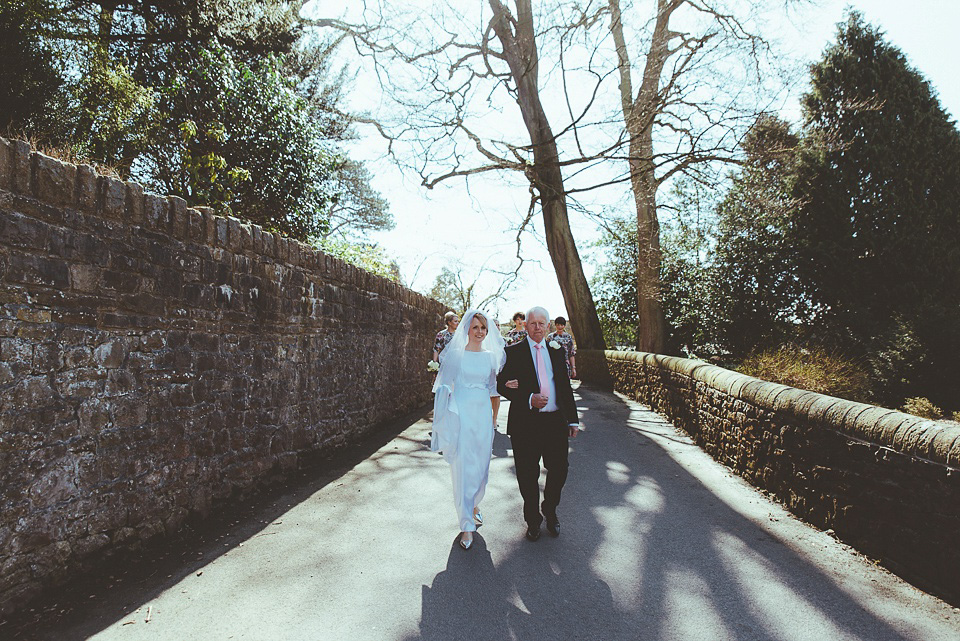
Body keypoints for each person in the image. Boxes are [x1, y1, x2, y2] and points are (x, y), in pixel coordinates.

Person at [496, 306, 580, 542]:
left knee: (560, 469)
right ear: (526, 325)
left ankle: (550, 509)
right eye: (532, 323)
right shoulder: (512, 352)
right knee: (527, 473)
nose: (537, 327)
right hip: (526, 423)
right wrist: (528, 398)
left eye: (542, 324)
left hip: (555, 421)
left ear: (548, 326)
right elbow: (501, 384)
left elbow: (564, 388)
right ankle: (533, 520)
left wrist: (572, 419)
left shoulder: (556, 350)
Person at [431, 310, 506, 550]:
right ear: (467, 329)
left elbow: (494, 390)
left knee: (481, 466)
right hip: (462, 415)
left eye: (483, 328)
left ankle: (474, 504)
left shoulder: (491, 357)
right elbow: (443, 384)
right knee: (463, 467)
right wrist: (445, 401)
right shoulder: (457, 356)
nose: (480, 332)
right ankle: (466, 525)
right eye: (475, 327)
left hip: (483, 416)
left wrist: (494, 420)